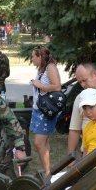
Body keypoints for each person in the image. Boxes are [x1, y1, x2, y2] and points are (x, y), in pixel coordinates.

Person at [29, 45, 62, 176]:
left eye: (33, 56)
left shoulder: (50, 67)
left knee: (38, 143)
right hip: (39, 109)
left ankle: (48, 173)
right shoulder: (42, 68)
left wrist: (39, 84)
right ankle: (48, 170)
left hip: (46, 112)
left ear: (40, 57)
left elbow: (57, 87)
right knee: (44, 142)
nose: (31, 59)